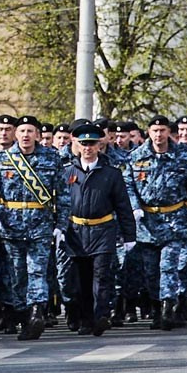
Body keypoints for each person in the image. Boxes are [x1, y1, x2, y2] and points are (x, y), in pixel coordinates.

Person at [0, 113, 65, 341]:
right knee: (17, 275)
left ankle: (36, 311)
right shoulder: (2, 159)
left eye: (30, 131)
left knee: (37, 270)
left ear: (37, 135)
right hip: (11, 226)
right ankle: (23, 314)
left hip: (40, 225)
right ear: (16, 134)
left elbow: (63, 195)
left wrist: (61, 225)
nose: (26, 135)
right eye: (22, 131)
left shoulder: (52, 158)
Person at [116, 117, 187, 329]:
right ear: (148, 132)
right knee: (151, 271)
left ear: (169, 132)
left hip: (175, 221)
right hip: (147, 223)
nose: (158, 135)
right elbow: (127, 185)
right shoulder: (135, 157)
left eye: (162, 130)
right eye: (154, 130)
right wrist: (134, 207)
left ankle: (168, 307)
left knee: (169, 267)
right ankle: (156, 307)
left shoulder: (183, 157)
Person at [62, 123, 137, 335]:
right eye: (84, 143)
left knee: (102, 277)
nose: (88, 148)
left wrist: (129, 234)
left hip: (103, 230)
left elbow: (123, 205)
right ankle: (86, 319)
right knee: (81, 280)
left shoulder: (111, 173)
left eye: (92, 143)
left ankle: (100, 315)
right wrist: (57, 229)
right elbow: (59, 204)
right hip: (76, 232)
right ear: (76, 144)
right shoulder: (67, 172)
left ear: (99, 145)